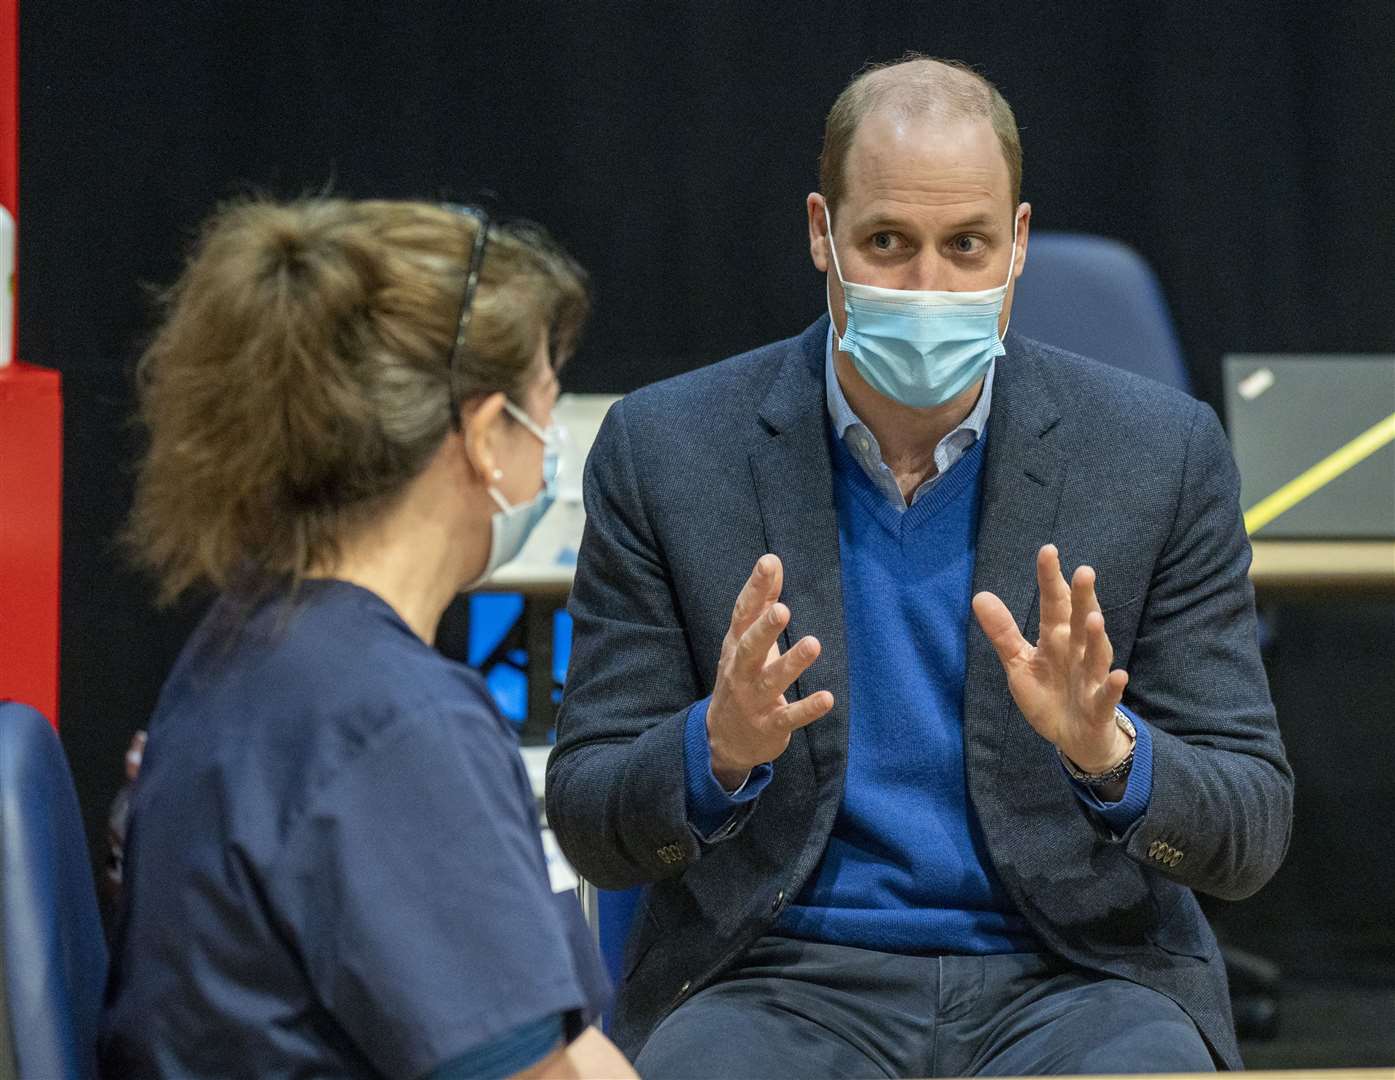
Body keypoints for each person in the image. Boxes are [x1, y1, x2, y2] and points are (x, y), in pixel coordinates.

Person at [547, 54, 1293, 1077]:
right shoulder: (668, 451)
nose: (929, 286)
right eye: (888, 243)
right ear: (823, 233)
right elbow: (590, 817)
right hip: (777, 976)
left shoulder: (1160, 455)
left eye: (967, 244)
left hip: (1076, 979)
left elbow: (1250, 828)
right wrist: (714, 752)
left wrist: (1111, 757)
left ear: (1018, 244)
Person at [101, 197, 636, 1080]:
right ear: (480, 432)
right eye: (545, 407)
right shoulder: (397, 727)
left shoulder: (252, 641)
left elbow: (550, 1041)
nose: (551, 455)